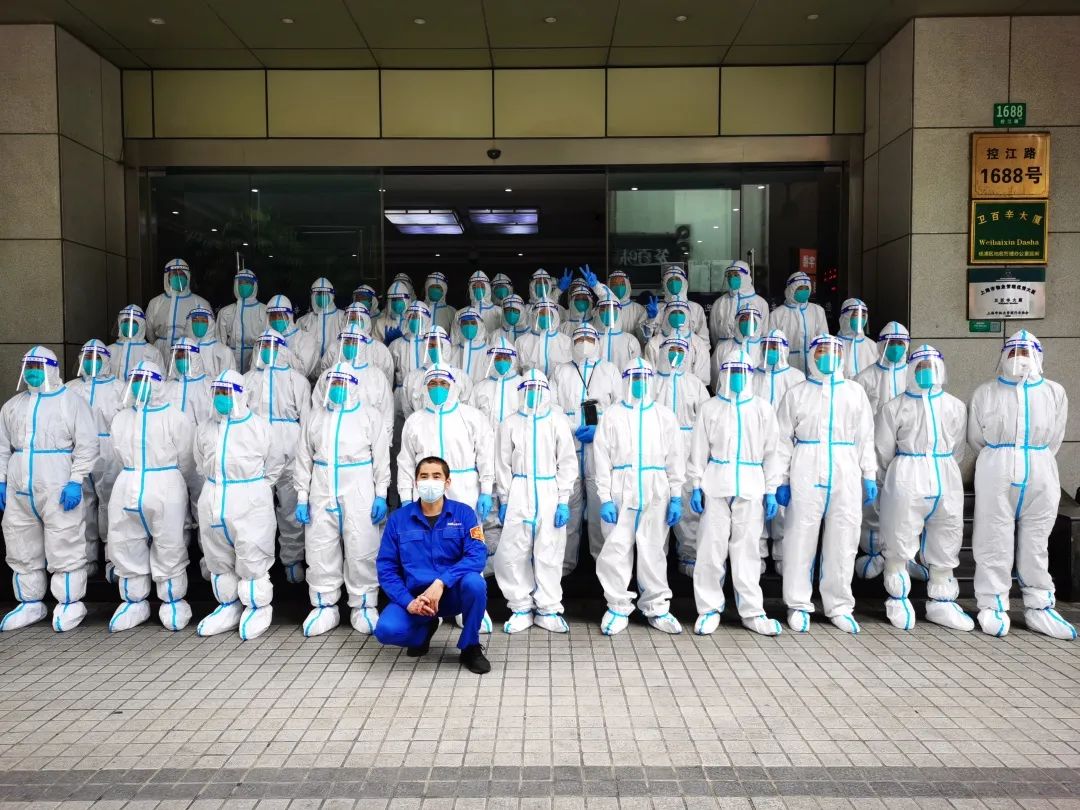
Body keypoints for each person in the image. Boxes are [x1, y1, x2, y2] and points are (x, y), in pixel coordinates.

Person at [968, 331, 1076, 640]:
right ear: (1003, 356)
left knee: (1037, 541)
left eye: (1026, 352)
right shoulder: (986, 392)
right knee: (992, 538)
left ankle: (1039, 606)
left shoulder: (1054, 392)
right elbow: (976, 438)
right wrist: (1001, 457)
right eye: (1014, 352)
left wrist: (1032, 456)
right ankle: (992, 604)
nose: (1020, 358)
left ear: (1039, 357)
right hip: (997, 468)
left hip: (1040, 467)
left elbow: (1055, 437)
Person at [774, 334, 876, 634]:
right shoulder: (797, 393)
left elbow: (865, 437)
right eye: (821, 352)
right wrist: (781, 479)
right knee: (800, 537)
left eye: (832, 352)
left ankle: (839, 605)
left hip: (846, 468)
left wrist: (869, 474)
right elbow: (782, 440)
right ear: (811, 356)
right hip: (806, 466)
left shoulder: (855, 392)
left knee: (844, 538)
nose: (827, 357)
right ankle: (797, 603)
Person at [876, 345, 973, 632]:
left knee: (947, 533)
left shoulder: (955, 406)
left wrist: (943, 465)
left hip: (944, 473)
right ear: (911, 371)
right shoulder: (894, 407)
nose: (926, 372)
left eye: (931, 367)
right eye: (920, 367)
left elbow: (958, 448)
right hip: (906, 473)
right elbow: (882, 451)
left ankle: (941, 601)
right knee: (899, 535)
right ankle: (897, 598)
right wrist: (888, 482)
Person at [0, 347, 96, 632]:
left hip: (57, 482)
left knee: (64, 539)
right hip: (20, 486)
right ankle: (30, 602)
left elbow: (87, 444)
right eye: (28, 366)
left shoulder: (71, 402)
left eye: (37, 366)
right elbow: (2, 446)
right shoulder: (13, 406)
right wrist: (1, 480)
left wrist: (76, 480)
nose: (32, 371)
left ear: (52, 368)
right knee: (20, 540)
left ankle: (69, 602)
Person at [688, 350, 782, 636]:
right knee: (710, 549)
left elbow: (773, 452)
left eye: (742, 371)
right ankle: (708, 608)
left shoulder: (762, 409)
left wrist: (771, 489)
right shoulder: (710, 408)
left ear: (750, 374)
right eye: (732, 371)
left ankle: (752, 611)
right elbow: (698, 450)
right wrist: (695, 485)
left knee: (747, 551)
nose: (737, 377)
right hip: (716, 485)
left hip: (751, 486)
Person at [294, 363, 392, 637]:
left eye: (342, 382)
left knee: (362, 546)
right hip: (321, 488)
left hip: (359, 489)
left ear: (353, 385)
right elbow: (303, 458)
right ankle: (324, 605)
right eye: (333, 382)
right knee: (320, 546)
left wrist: (381, 494)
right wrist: (302, 496)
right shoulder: (315, 417)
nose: (337, 387)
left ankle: (364, 604)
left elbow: (381, 459)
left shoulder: (369, 416)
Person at [593, 358, 686, 635]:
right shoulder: (612, 415)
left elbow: (675, 458)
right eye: (633, 377)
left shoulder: (664, 415)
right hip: (621, 488)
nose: (639, 383)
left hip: (656, 489)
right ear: (625, 380)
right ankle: (617, 606)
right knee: (616, 549)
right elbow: (601, 459)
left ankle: (657, 607)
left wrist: (676, 495)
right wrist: (604, 497)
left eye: (643, 377)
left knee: (653, 550)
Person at [374, 457, 491, 674]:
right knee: (386, 631)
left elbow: (477, 556)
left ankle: (470, 647)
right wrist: (408, 602)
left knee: (475, 583)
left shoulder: (464, 513)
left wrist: (442, 582)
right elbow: (386, 568)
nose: (430, 481)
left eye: (436, 476)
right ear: (416, 482)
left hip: (452, 593)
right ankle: (425, 628)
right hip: (416, 598)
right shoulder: (398, 519)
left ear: (447, 482)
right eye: (424, 476)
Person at [107, 360, 198, 632]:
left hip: (166, 484)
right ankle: (134, 600)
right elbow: (116, 454)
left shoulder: (175, 417)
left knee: (169, 543)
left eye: (145, 380)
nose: (139, 385)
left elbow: (187, 460)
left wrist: (185, 491)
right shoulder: (122, 418)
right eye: (135, 380)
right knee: (125, 541)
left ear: (158, 383)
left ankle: (172, 600)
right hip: (128, 482)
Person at [194, 370, 285, 640]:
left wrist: (255, 489)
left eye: (227, 392)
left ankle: (258, 607)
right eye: (218, 392)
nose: (221, 397)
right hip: (214, 496)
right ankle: (228, 606)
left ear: (240, 394)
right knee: (218, 555)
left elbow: (275, 463)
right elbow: (199, 462)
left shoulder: (259, 426)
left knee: (252, 554)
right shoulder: (205, 428)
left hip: (249, 499)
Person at [494, 370, 576, 634]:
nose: (533, 393)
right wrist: (504, 498)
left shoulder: (557, 421)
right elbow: (502, 463)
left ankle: (548, 609)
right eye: (528, 388)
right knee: (513, 551)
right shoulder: (510, 423)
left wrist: (563, 500)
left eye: (538, 388)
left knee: (550, 550)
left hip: (548, 488)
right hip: (518, 489)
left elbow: (567, 462)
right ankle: (520, 607)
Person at [549, 325, 621, 573]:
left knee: (601, 505)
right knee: (567, 505)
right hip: (569, 443)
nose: (584, 342)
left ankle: (603, 567)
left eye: (589, 338)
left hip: (600, 447)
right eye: (579, 337)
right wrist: (571, 427)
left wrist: (600, 429)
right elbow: (552, 405)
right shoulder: (561, 370)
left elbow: (620, 407)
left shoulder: (609, 370)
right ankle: (564, 566)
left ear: (597, 341)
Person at [244, 329, 312, 584]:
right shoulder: (248, 380)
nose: (267, 350)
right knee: (255, 506)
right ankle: (256, 560)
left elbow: (307, 421)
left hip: (291, 445)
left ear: (283, 349)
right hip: (256, 445)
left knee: (291, 504)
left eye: (272, 345)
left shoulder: (298, 381)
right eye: (262, 345)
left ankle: (292, 559)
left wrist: (306, 452)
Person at [854, 321, 912, 580]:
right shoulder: (865, 377)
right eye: (891, 343)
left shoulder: (912, 373)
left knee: (907, 503)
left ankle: (904, 556)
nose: (896, 348)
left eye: (901, 343)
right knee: (873, 503)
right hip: (873, 449)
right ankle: (873, 551)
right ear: (880, 345)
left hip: (908, 452)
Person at [68, 340, 124, 582]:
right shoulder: (70, 389)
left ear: (105, 360)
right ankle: (87, 557)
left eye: (95, 358)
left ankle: (113, 557)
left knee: (111, 505)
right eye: (86, 358)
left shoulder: (119, 388)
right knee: (83, 505)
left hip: (109, 450)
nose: (90, 362)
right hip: (79, 450)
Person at [654, 337, 710, 578]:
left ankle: (689, 553)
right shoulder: (651, 381)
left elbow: (707, 419)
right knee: (657, 498)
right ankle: (656, 558)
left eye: (680, 349)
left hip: (688, 444)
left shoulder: (694, 383)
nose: (675, 353)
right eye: (671, 349)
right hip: (656, 443)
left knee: (686, 498)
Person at [467, 338, 524, 573]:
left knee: (513, 503)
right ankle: (489, 564)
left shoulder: (521, 385)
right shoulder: (480, 387)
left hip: (514, 453)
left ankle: (512, 564)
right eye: (497, 357)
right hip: (485, 453)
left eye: (505, 357)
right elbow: (471, 423)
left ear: (513, 359)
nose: (501, 361)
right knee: (488, 507)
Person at [751, 329, 805, 572]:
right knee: (756, 502)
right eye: (767, 347)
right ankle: (759, 553)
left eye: (775, 347)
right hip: (755, 445)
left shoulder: (796, 377)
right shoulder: (752, 376)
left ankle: (782, 553)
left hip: (786, 444)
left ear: (784, 349)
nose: (771, 351)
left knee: (783, 502)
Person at [310, 326, 395, 445]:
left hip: (367, 440)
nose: (350, 345)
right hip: (332, 438)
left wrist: (384, 443)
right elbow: (317, 408)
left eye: (354, 342)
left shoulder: (376, 376)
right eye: (346, 341)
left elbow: (387, 411)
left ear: (363, 344)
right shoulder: (328, 375)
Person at [145, 258, 211, 352]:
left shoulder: (201, 303)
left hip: (189, 352)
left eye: (181, 274)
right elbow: (149, 330)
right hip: (160, 351)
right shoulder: (155, 302)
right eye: (174, 274)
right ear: (167, 277)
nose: (178, 277)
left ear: (187, 276)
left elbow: (208, 332)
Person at [768, 272, 828, 375]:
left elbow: (824, 340)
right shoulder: (777, 314)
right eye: (800, 288)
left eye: (806, 288)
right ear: (791, 289)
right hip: (788, 366)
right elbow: (772, 345)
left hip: (813, 366)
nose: (804, 291)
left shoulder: (817, 311)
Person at [318, 305, 394, 386]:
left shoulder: (379, 349)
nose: (354, 323)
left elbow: (387, 379)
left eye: (359, 319)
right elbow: (324, 374)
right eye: (350, 319)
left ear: (366, 321)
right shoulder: (334, 347)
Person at [643, 300, 711, 387]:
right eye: (673, 313)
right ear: (666, 315)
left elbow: (702, 375)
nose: (678, 316)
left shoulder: (698, 343)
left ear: (688, 316)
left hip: (688, 391)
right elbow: (649, 373)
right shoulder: (654, 342)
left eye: (681, 313)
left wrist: (691, 390)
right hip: (661, 391)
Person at [708, 261, 770, 345]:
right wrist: (721, 349)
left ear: (745, 276)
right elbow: (714, 332)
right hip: (725, 350)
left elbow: (764, 333)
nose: (732, 278)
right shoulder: (719, 303)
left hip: (751, 350)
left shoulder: (761, 303)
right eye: (729, 276)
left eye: (736, 275)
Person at [217, 268, 267, 372]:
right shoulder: (226, 312)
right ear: (236, 285)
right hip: (231, 359)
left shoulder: (265, 311)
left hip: (257, 359)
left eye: (248, 283)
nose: (244, 285)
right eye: (241, 283)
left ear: (254, 285)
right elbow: (219, 341)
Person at [647, 265, 708, 343]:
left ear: (684, 282)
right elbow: (646, 339)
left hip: (690, 349)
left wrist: (700, 350)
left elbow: (704, 338)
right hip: (662, 349)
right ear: (664, 284)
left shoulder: (696, 308)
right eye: (670, 280)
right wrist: (650, 319)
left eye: (677, 280)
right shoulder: (657, 308)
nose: (673, 283)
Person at [711, 304, 764, 391]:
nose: (748, 322)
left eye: (751, 319)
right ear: (737, 322)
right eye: (743, 319)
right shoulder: (723, 347)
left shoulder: (764, 347)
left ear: (758, 323)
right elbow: (716, 376)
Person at [267, 294, 320, 380]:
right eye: (273, 316)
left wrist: (280, 349)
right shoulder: (264, 340)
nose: (276, 319)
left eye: (281, 315)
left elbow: (303, 371)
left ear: (289, 316)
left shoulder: (306, 339)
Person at [108, 305, 164, 383]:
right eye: (125, 321)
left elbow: (160, 380)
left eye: (133, 322)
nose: (129, 325)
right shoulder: (109, 350)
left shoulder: (153, 352)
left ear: (141, 324)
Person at [162, 338, 212, 425]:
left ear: (194, 356)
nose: (181, 360)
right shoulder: (167, 386)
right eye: (178, 357)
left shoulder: (206, 385)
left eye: (185, 356)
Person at [516, 301, 572, 377]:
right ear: (534, 316)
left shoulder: (565, 341)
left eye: (548, 314)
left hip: (557, 383)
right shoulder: (521, 341)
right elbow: (516, 370)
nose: (545, 317)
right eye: (541, 314)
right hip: (531, 384)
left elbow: (569, 370)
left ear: (555, 315)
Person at [389, 301, 433, 392]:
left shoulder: (432, 344)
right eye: (411, 316)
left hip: (426, 392)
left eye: (418, 317)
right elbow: (389, 372)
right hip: (401, 393)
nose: (414, 320)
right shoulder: (396, 344)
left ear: (426, 319)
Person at [297, 277, 344, 361]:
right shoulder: (303, 321)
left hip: (335, 366)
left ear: (331, 295)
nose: (322, 296)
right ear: (312, 296)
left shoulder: (343, 317)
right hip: (309, 368)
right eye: (318, 294)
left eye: (325, 293)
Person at [594, 289, 641, 371]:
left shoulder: (630, 340)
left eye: (612, 309)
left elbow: (637, 369)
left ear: (619, 311)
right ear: (597, 312)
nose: (608, 312)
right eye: (603, 309)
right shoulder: (591, 339)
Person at [596, 269, 646, 343]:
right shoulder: (602, 309)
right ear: (609, 287)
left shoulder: (639, 309)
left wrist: (650, 321)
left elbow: (643, 339)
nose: (618, 287)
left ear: (627, 285)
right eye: (614, 284)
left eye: (622, 284)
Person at [186, 307, 236, 378]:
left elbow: (229, 379)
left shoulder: (223, 351)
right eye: (195, 320)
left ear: (210, 323)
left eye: (203, 321)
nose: (199, 324)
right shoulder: (182, 350)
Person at [838, 298, 879, 379]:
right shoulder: (833, 345)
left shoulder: (872, 346)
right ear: (846, 316)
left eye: (863, 315)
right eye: (856, 315)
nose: (860, 319)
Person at [455, 270, 501, 337]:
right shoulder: (460, 313)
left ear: (488, 288)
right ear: (470, 290)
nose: (478, 289)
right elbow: (455, 337)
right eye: (474, 287)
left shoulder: (499, 311)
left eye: (482, 286)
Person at [452, 308, 491, 384]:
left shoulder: (489, 351)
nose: (469, 326)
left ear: (479, 325)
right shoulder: (453, 350)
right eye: (465, 323)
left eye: (473, 323)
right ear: (459, 326)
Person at [376, 279, 413, 345]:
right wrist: (386, 343)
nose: (396, 302)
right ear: (389, 302)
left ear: (407, 301)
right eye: (394, 300)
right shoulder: (380, 323)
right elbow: (374, 347)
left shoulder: (412, 322)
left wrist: (402, 341)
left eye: (400, 299)